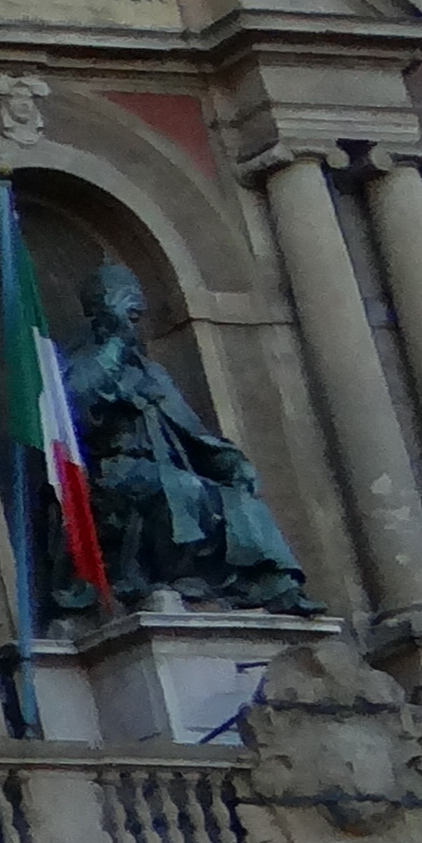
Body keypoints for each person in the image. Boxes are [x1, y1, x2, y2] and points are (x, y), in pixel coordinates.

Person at [60, 262, 312, 611]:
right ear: (101, 307)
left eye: (137, 302)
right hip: (113, 472)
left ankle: (274, 586)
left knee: (238, 499)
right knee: (184, 489)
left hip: (163, 469)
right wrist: (115, 342)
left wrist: (231, 462)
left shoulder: (153, 373)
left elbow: (194, 433)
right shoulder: (83, 362)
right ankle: (181, 578)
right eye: (124, 299)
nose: (136, 308)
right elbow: (78, 398)